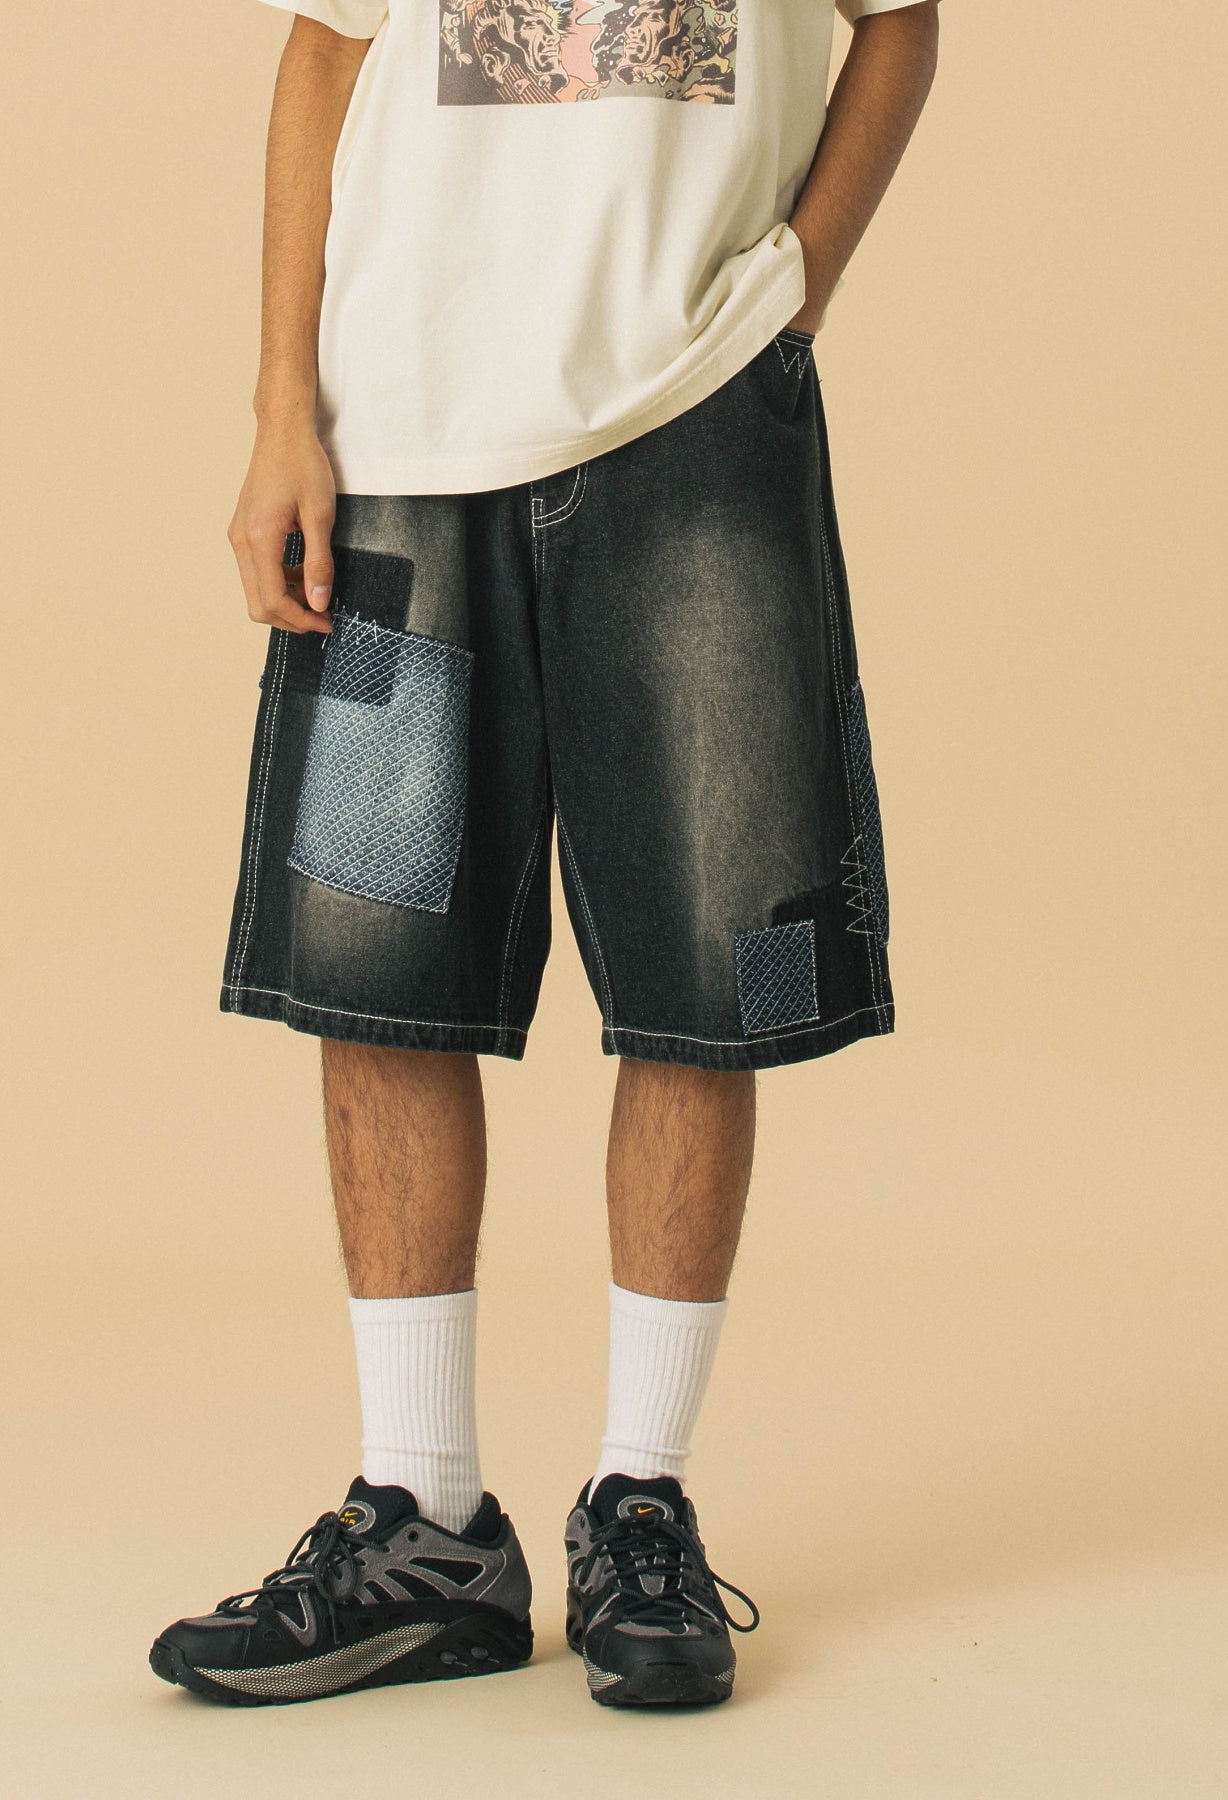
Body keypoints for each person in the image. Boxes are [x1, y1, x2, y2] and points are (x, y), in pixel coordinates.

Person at [150, 0, 940, 1711]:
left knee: (707, 965)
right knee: (376, 962)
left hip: (696, 421)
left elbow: (902, 24)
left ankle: (642, 1496)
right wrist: (283, 408)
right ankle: (422, 1520)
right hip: (398, 438)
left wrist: (796, 285)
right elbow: (321, 57)